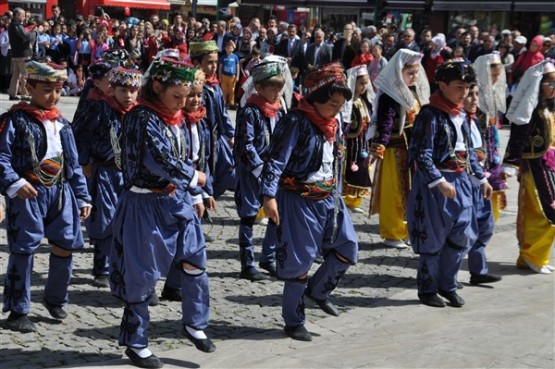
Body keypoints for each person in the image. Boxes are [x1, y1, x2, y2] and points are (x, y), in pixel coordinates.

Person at [109, 58, 216, 369]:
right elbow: (160, 160)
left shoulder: (176, 117)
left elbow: (185, 155)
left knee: (195, 260)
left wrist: (196, 191)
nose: (182, 105)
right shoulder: (142, 118)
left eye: (186, 98)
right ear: (157, 87)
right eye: (176, 97)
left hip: (177, 199)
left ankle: (195, 322)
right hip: (145, 204)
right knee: (142, 276)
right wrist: (195, 177)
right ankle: (136, 341)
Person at [261, 63, 358, 341]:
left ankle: (318, 291)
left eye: (340, 104)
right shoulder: (295, 121)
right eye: (331, 103)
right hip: (299, 199)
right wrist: (269, 196)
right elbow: (276, 160)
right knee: (299, 261)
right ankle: (294, 320)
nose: (337, 109)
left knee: (347, 247)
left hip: (329, 197)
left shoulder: (334, 123)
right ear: (314, 99)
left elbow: (335, 161)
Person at [0, 61, 91, 332]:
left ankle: (56, 298)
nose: (54, 96)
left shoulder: (62, 124)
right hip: (28, 193)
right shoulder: (14, 120)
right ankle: (18, 310)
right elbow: (2, 157)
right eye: (47, 89)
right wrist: (14, 183)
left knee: (66, 243)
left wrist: (82, 196)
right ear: (29, 87)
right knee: (24, 247)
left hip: (61, 193)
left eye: (59, 90)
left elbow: (73, 164)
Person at [407, 60, 492, 308]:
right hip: (437, 187)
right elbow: (422, 154)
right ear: (442, 85)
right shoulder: (430, 115)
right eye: (458, 86)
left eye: (467, 87)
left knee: (461, 236)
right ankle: (428, 288)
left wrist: (480, 179)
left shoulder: (461, 115)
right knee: (433, 241)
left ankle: (448, 284)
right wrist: (438, 181)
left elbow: (467, 154)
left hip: (462, 183)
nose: (464, 92)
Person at [72, 67, 142, 288]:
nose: (128, 96)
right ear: (112, 89)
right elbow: (80, 135)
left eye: (133, 90)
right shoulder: (100, 109)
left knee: (128, 221)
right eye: (123, 90)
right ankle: (102, 267)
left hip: (130, 175)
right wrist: (85, 162)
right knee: (105, 219)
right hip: (104, 172)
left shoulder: (140, 114)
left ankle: (121, 265)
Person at [234, 57, 292, 281]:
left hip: (272, 172)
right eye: (273, 88)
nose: (277, 93)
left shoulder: (278, 111)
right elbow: (244, 145)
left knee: (275, 213)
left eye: (280, 88)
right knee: (248, 216)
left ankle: (268, 257)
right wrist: (259, 168)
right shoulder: (250, 112)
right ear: (258, 88)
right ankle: (247, 263)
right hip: (252, 172)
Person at [369, 49, 430, 248]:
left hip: (412, 151)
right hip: (394, 151)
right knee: (394, 193)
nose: (415, 76)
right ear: (399, 72)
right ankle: (392, 233)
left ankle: (408, 230)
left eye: (416, 72)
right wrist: (378, 148)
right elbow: (385, 123)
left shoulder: (413, 91)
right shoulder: (390, 94)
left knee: (411, 191)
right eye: (410, 73)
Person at [503, 60, 555, 274]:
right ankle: (532, 255)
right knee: (544, 211)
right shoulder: (531, 109)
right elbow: (519, 135)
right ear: (539, 84)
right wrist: (511, 164)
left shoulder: (550, 107)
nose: (553, 88)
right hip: (534, 166)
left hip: (549, 165)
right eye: (550, 83)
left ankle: (536, 256)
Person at [462, 81, 503, 286]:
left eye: (477, 94)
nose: (474, 99)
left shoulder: (474, 121)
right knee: (462, 230)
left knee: (485, 225)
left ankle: (478, 270)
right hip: (464, 183)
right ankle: (445, 279)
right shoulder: (454, 121)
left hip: (479, 182)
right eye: (470, 94)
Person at [190, 40, 236, 200]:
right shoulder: (195, 88)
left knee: (227, 172)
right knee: (203, 168)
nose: (214, 66)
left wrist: (231, 135)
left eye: (216, 62)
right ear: (197, 63)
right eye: (209, 62)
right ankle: (201, 198)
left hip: (218, 138)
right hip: (203, 138)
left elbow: (223, 113)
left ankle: (210, 195)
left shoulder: (215, 86)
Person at [342, 65, 375, 213]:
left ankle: (355, 200)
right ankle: (346, 197)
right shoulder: (347, 103)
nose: (364, 86)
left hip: (362, 142)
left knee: (362, 169)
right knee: (350, 168)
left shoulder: (364, 101)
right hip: (350, 143)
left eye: (366, 83)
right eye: (361, 83)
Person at [7, 8, 32, 101]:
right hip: (22, 54)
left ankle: (12, 94)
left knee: (15, 75)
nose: (24, 17)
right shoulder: (17, 25)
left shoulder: (11, 25)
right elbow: (26, 36)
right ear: (17, 15)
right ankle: (25, 94)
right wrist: (31, 31)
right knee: (25, 74)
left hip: (15, 54)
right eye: (23, 15)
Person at [218, 39, 240, 109]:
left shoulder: (235, 57)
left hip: (232, 77)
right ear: (225, 49)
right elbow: (220, 67)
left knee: (232, 90)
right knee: (223, 90)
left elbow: (237, 66)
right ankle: (223, 102)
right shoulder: (223, 57)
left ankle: (231, 103)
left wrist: (237, 76)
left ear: (233, 49)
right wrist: (220, 76)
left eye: (230, 47)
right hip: (224, 76)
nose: (229, 48)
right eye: (227, 47)